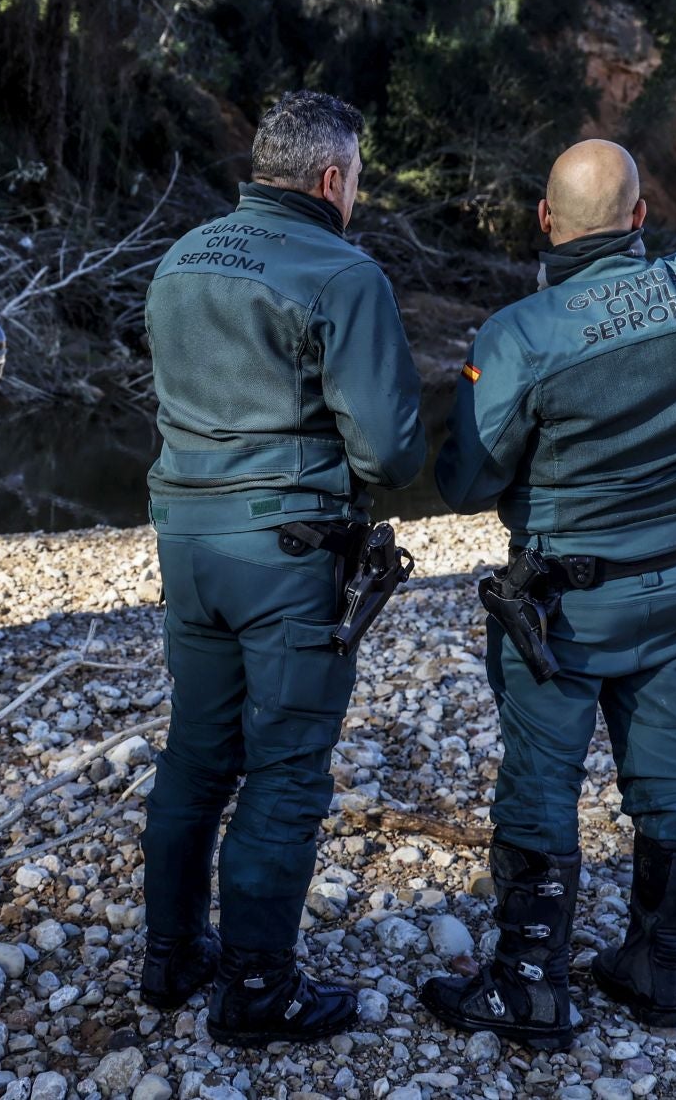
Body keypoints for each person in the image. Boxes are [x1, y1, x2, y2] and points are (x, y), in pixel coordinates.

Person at [418, 139, 676, 1048]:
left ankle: (528, 986)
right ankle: (656, 964)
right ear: (639, 218)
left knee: (541, 784)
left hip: (561, 612)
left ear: (546, 223)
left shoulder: (521, 335)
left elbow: (464, 483)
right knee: (670, 775)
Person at [138, 89, 426, 1046]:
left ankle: (172, 957)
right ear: (332, 178)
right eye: (358, 180)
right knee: (287, 770)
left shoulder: (181, 259)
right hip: (287, 555)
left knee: (196, 753)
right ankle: (258, 990)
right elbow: (386, 454)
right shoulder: (343, 273)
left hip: (187, 543)